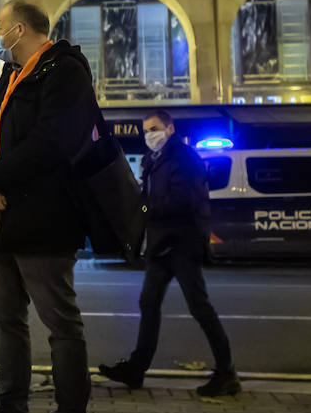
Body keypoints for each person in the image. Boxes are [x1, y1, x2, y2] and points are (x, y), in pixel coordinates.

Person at [0, 0, 101, 413]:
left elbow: (53, 142)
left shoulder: (64, 70)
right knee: (7, 320)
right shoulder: (10, 78)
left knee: (60, 322)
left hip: (46, 216)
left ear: (19, 29)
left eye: (0, 28)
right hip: (2, 214)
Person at [98, 110, 240, 397]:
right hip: (161, 245)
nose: (150, 135)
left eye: (155, 128)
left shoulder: (183, 158)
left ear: (170, 129)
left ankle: (227, 373)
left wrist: (147, 208)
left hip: (183, 243)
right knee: (148, 303)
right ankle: (136, 369)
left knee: (199, 307)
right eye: (146, 130)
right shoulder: (154, 159)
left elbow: (183, 200)